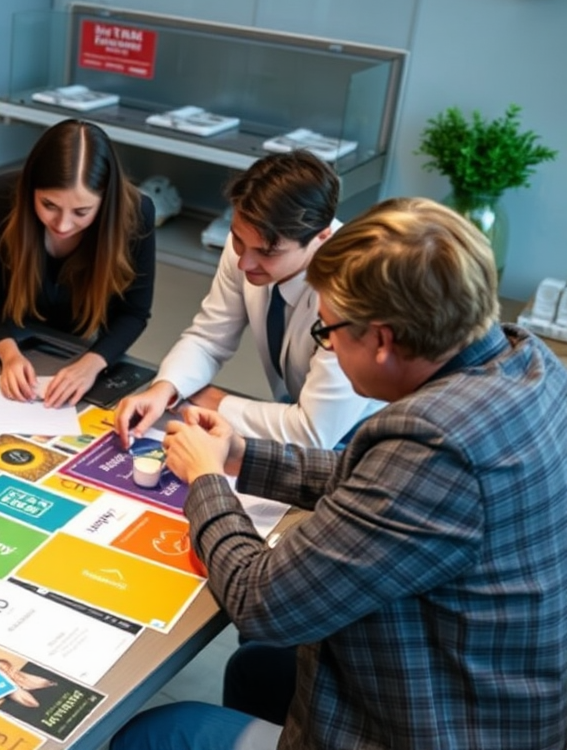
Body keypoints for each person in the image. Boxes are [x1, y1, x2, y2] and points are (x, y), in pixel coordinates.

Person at [113, 197, 567, 750]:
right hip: (502, 698)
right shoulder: (526, 360)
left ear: (381, 340)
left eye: (326, 333)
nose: (325, 345)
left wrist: (207, 482)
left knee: (156, 732)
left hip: (438, 723)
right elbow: (376, 481)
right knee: (258, 671)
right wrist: (238, 455)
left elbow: (261, 604)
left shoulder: (436, 447)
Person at [115, 150, 381, 450]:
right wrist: (166, 388)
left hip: (361, 440)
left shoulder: (353, 289)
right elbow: (208, 338)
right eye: (238, 239)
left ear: (320, 237)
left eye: (267, 252)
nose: (244, 263)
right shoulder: (248, 242)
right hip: (290, 423)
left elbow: (313, 432)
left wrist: (217, 401)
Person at [0, 119, 155, 407]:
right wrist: (9, 355)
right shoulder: (0, 197)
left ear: (106, 200)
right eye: (49, 205)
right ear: (30, 188)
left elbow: (134, 313)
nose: (63, 225)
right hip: (0, 332)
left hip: (72, 344)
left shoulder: (136, 214)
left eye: (81, 211)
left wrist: (92, 364)